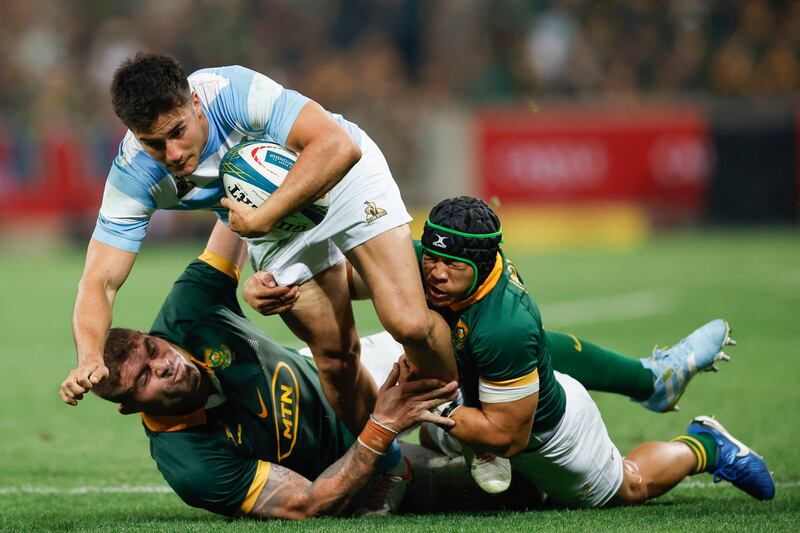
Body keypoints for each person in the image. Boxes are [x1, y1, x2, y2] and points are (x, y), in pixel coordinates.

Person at [59, 52, 456, 455]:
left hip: (337, 178)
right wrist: (89, 356)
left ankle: (461, 421)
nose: (173, 154)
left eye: (177, 132)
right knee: (336, 362)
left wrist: (264, 217)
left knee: (406, 322)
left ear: (194, 104)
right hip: (265, 222)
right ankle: (386, 465)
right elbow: (99, 281)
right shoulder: (134, 175)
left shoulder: (231, 92)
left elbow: (337, 145)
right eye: (154, 143)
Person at [403, 196, 776, 506]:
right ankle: (652, 378)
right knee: (434, 436)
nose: (436, 273)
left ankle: (705, 447)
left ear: (482, 265)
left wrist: (435, 405)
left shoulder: (505, 325)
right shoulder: (454, 265)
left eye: (452, 264)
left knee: (631, 487)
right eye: (432, 259)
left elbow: (508, 438)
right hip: (495, 388)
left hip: (547, 435)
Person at [89, 222, 458, 519]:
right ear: (131, 407)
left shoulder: (187, 312)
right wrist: (381, 430)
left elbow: (233, 216)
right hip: (356, 464)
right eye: (144, 378)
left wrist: (257, 284)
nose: (166, 366)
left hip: (345, 372)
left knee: (462, 347)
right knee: (495, 488)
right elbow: (309, 502)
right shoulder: (191, 465)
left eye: (153, 349)